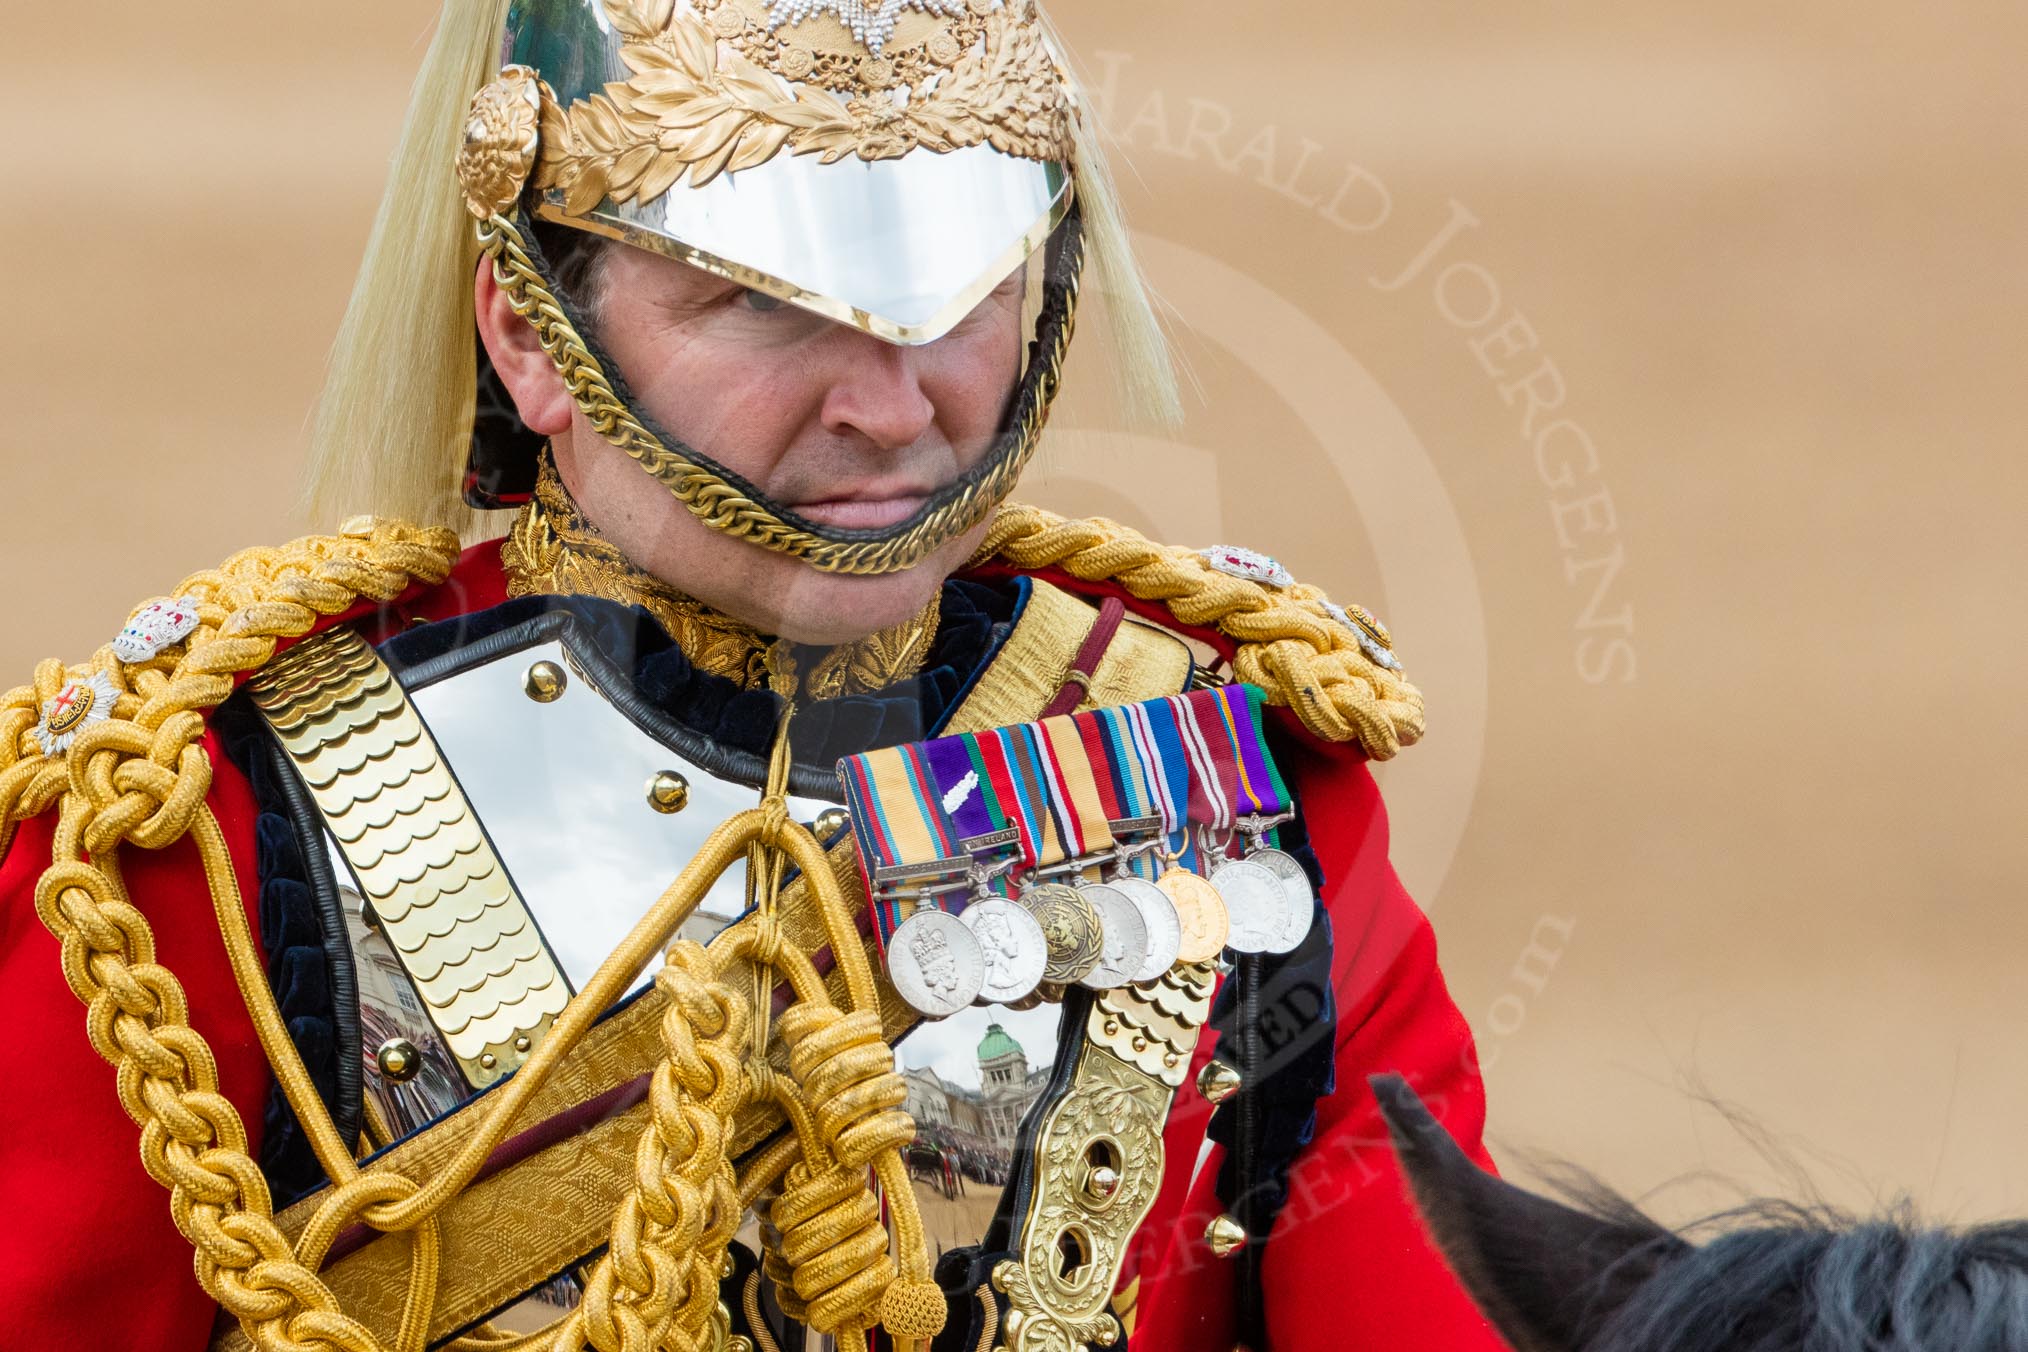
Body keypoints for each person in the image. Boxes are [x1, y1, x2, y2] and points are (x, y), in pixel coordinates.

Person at [0, 1, 1501, 1347]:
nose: (893, 403)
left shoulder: (1222, 764)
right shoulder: (200, 833)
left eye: (964, 298)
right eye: (769, 307)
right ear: (532, 336)